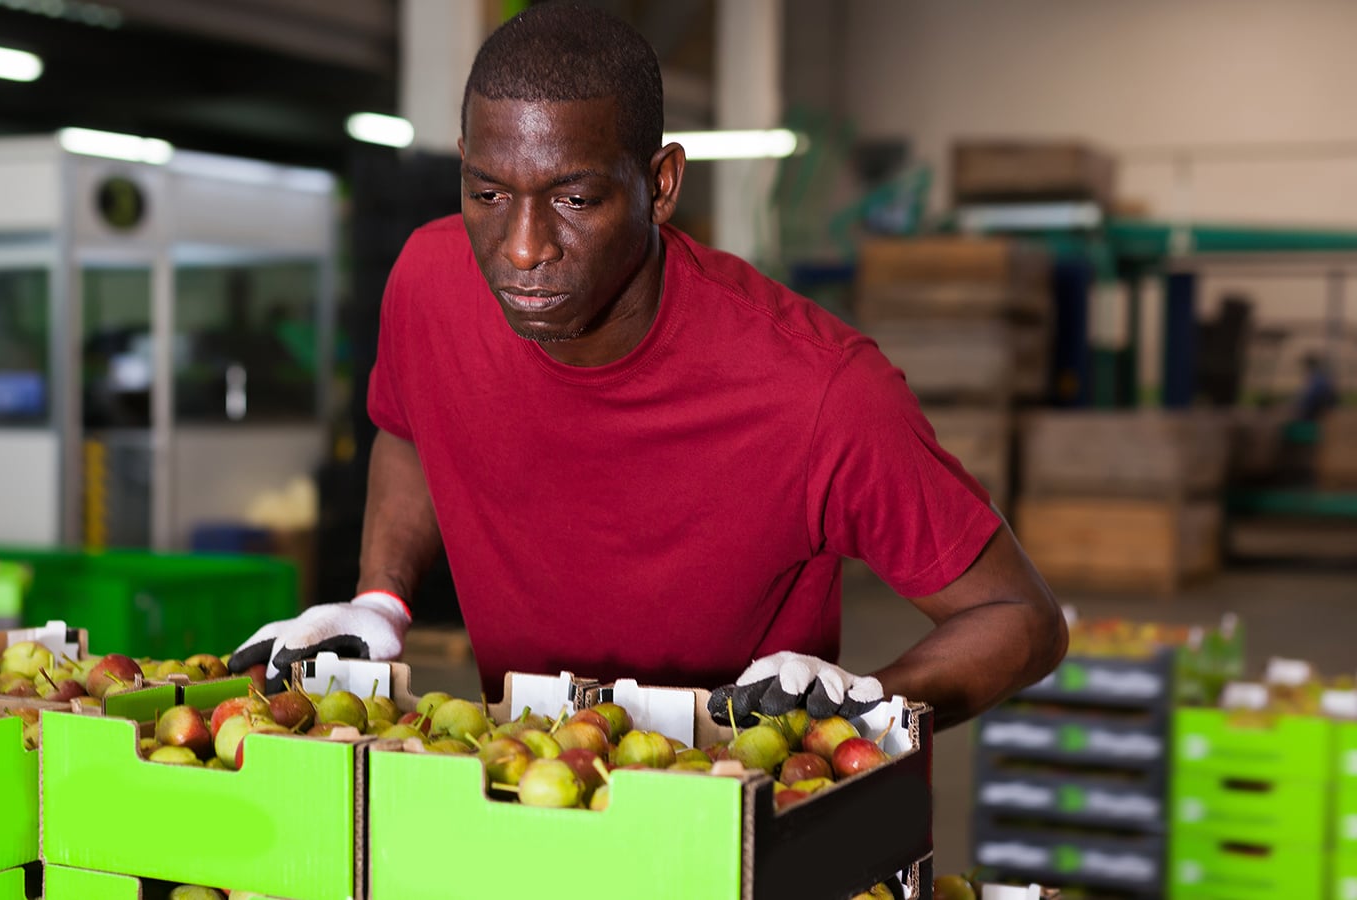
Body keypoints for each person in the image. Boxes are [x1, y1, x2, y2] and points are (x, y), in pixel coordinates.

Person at [231, 2, 1067, 730]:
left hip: (739, 825)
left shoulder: (820, 394)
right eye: (488, 194)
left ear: (660, 185)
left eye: (575, 199)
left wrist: (869, 704)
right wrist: (379, 600)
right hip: (530, 794)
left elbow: (1019, 618)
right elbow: (409, 427)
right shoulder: (429, 281)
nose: (521, 249)